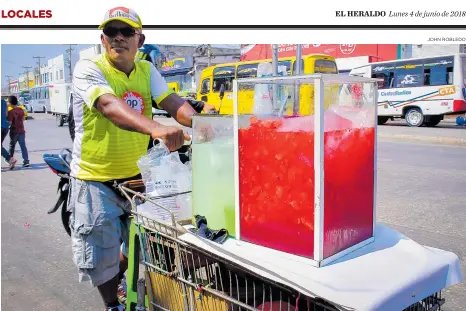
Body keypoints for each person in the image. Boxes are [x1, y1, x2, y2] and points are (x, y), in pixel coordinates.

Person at [68, 7, 199, 311]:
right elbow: (108, 105)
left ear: (140, 39)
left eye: (126, 32)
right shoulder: (89, 68)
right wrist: (157, 128)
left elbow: (174, 104)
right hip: (95, 178)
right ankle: (113, 304)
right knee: (101, 254)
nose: (118, 38)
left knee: (149, 243)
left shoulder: (145, 70)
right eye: (111, 32)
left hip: (141, 178)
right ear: (102, 38)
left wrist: (209, 127)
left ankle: (122, 280)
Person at [7, 96, 29, 169]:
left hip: (14, 132)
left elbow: (9, 123)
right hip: (22, 131)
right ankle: (26, 162)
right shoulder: (21, 110)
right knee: (23, 146)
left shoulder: (10, 112)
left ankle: (10, 161)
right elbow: (23, 119)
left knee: (11, 147)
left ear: (10, 103)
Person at [1, 98, 17, 168]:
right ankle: (10, 159)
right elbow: (6, 114)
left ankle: (10, 159)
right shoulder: (3, 101)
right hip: (5, 126)